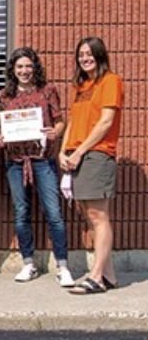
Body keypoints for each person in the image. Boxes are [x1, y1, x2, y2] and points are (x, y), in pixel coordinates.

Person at [0, 47, 72, 287]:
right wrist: (0, 139)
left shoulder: (47, 91)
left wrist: (54, 132)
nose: (24, 71)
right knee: (21, 213)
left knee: (54, 213)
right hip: (15, 162)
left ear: (34, 67)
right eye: (19, 67)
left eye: (28, 66)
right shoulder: (4, 95)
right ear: (12, 70)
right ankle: (28, 263)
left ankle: (63, 266)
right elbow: (0, 128)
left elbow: (60, 122)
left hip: (43, 159)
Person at [59, 37, 123, 295]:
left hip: (97, 154)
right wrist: (63, 151)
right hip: (77, 154)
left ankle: (96, 276)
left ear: (99, 55)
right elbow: (73, 122)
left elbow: (106, 123)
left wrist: (80, 151)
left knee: (99, 216)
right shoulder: (80, 86)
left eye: (89, 54)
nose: (85, 58)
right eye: (81, 54)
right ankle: (108, 276)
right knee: (91, 215)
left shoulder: (110, 82)